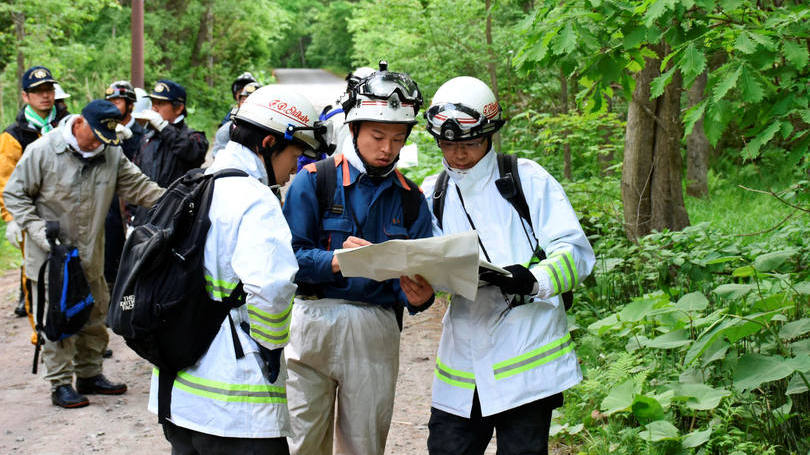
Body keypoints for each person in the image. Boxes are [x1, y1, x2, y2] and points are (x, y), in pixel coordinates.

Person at [420, 76, 596, 455]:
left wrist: (534, 280)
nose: (458, 155)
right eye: (447, 144)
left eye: (468, 144)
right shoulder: (432, 192)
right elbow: (429, 266)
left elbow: (576, 252)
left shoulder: (526, 179)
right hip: (463, 364)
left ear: (490, 135)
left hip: (527, 362)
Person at [149, 85, 321, 454]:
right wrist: (271, 349)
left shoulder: (196, 184)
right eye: (295, 153)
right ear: (270, 143)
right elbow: (273, 291)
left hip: (177, 395)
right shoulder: (255, 199)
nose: (296, 167)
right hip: (235, 404)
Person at [282, 63, 435, 455]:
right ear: (353, 129)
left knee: (365, 445)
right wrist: (334, 260)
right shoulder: (314, 180)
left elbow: (421, 275)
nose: (387, 148)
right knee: (301, 443)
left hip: (375, 328)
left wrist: (421, 298)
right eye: (378, 136)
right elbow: (287, 260)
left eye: (398, 138)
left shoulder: (411, 199)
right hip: (311, 322)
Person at [3, 99, 164, 408]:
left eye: (107, 139)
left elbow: (140, 188)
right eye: (96, 137)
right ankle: (60, 384)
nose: (100, 145)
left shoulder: (110, 153)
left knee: (94, 313)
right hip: (53, 257)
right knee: (58, 318)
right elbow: (14, 194)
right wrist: (37, 231)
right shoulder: (43, 152)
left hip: (91, 253)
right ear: (79, 124)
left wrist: (176, 200)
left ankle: (89, 374)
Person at [0, 66, 68, 324]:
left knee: (74, 270)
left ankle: (75, 331)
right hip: (33, 215)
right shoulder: (13, 135)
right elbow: (4, 180)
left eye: (48, 89)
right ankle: (39, 329)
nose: (45, 96)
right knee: (36, 273)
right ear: (25, 96)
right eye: (37, 91)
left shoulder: (67, 124)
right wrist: (11, 218)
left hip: (69, 210)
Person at [131, 79, 207, 223]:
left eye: (160, 103)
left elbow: (192, 153)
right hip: (144, 220)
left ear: (178, 108)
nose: (154, 108)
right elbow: (134, 176)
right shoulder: (147, 138)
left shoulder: (194, 137)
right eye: (153, 103)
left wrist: (163, 127)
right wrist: (133, 217)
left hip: (175, 220)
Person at [103, 81, 146, 290]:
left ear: (130, 105)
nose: (113, 105)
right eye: (109, 101)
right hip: (108, 200)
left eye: (117, 101)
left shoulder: (142, 134)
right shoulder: (102, 132)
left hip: (133, 200)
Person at [211, 81, 260, 157]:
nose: (248, 105)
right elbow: (219, 162)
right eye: (244, 100)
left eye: (253, 101)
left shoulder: (271, 133)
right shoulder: (226, 131)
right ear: (239, 103)